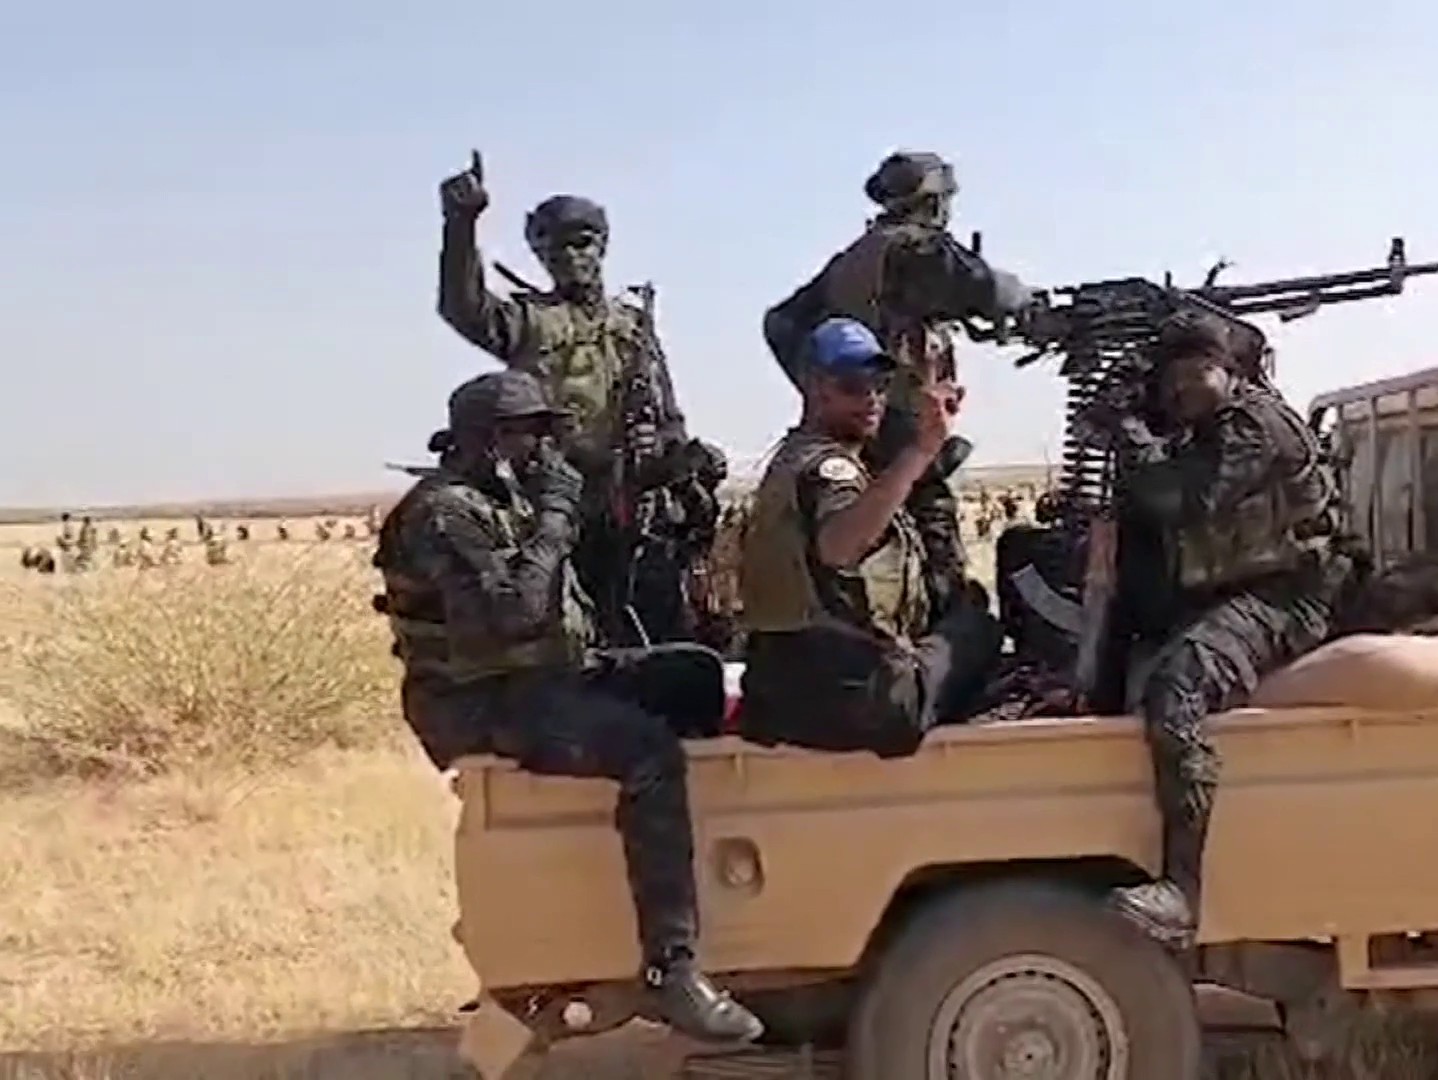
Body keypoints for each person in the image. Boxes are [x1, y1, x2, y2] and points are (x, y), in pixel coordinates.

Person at [371, 369, 763, 1044]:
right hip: (477, 701)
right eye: (531, 436)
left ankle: (733, 897)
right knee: (648, 755)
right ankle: (670, 966)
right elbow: (516, 613)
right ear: (490, 440)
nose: (544, 452)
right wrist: (556, 517)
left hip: (538, 678)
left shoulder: (503, 498)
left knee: (692, 677)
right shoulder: (444, 514)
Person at [1100, 312, 1350, 951]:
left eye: (1196, 374)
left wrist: (1129, 431)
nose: (1181, 390)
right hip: (1245, 588)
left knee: (1179, 684)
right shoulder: (1207, 426)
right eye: (1171, 380)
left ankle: (1185, 892)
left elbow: (1181, 500)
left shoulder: (1252, 426)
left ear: (1229, 371)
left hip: (1289, 598)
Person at [436, 151, 725, 647]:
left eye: (581, 243)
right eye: (554, 248)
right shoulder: (529, 320)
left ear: (603, 246)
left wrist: (682, 458)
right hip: (555, 500)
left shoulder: (632, 324)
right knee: (571, 635)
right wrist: (460, 226)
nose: (570, 256)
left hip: (633, 501)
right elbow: (463, 308)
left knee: (650, 630)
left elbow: (667, 411)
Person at [763, 151, 1039, 613]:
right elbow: (989, 289)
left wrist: (826, 395)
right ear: (933, 201)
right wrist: (1032, 302)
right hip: (905, 435)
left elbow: (779, 323)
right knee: (943, 573)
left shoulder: (855, 258)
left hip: (859, 434)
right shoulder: (918, 249)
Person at [736, 318, 1002, 757]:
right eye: (854, 386)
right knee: (976, 626)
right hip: (853, 703)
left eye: (880, 385)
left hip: (777, 695)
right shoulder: (827, 469)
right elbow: (840, 546)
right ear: (814, 388)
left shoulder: (793, 460)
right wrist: (922, 451)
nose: (872, 399)